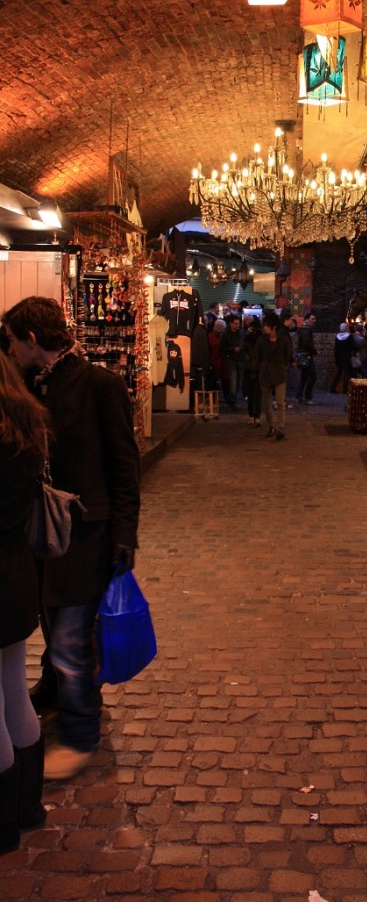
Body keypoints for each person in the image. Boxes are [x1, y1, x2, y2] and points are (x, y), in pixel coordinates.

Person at [2, 296, 140, 781]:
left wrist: (125, 534)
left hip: (86, 533)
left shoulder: (99, 384)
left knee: (70, 638)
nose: (10, 349)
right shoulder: (26, 384)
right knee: (52, 622)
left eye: (13, 340)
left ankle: (81, 735)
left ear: (31, 339)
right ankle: (56, 692)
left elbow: (125, 465)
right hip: (42, 529)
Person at [0, 352, 49, 853]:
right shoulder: (24, 429)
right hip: (15, 575)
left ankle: (2, 826)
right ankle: (28, 807)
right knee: (14, 692)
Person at [255, 312, 292, 440]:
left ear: (274, 326)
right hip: (265, 373)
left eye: (266, 325)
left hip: (279, 373)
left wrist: (283, 366)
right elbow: (258, 356)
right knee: (267, 403)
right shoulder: (261, 340)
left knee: (280, 402)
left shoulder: (283, 339)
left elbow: (287, 356)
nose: (264, 328)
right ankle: (271, 426)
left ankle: (280, 427)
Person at [218, 313, 243, 412]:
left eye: (238, 324)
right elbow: (221, 348)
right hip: (230, 360)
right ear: (231, 324)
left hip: (240, 360)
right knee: (233, 382)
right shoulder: (225, 334)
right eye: (236, 324)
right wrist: (233, 349)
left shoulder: (241, 333)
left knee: (238, 383)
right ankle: (232, 402)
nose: (238, 326)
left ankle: (232, 400)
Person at [241, 317, 262, 426]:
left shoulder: (259, 339)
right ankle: (253, 416)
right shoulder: (248, 339)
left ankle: (255, 416)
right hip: (251, 369)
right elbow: (242, 349)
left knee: (255, 394)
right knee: (253, 394)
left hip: (254, 369)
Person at [295, 311, 317, 405]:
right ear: (307, 319)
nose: (314, 320)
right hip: (306, 356)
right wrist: (314, 351)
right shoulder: (306, 329)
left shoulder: (305, 328)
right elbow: (306, 343)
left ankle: (299, 396)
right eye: (312, 319)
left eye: (315, 319)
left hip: (304, 355)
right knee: (312, 376)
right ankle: (307, 397)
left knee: (304, 377)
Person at [330, 322, 353, 393]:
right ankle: (345, 389)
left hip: (339, 357)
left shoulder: (337, 337)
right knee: (347, 373)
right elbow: (352, 346)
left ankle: (333, 386)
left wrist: (336, 358)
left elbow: (336, 349)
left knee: (339, 372)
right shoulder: (349, 336)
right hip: (347, 356)